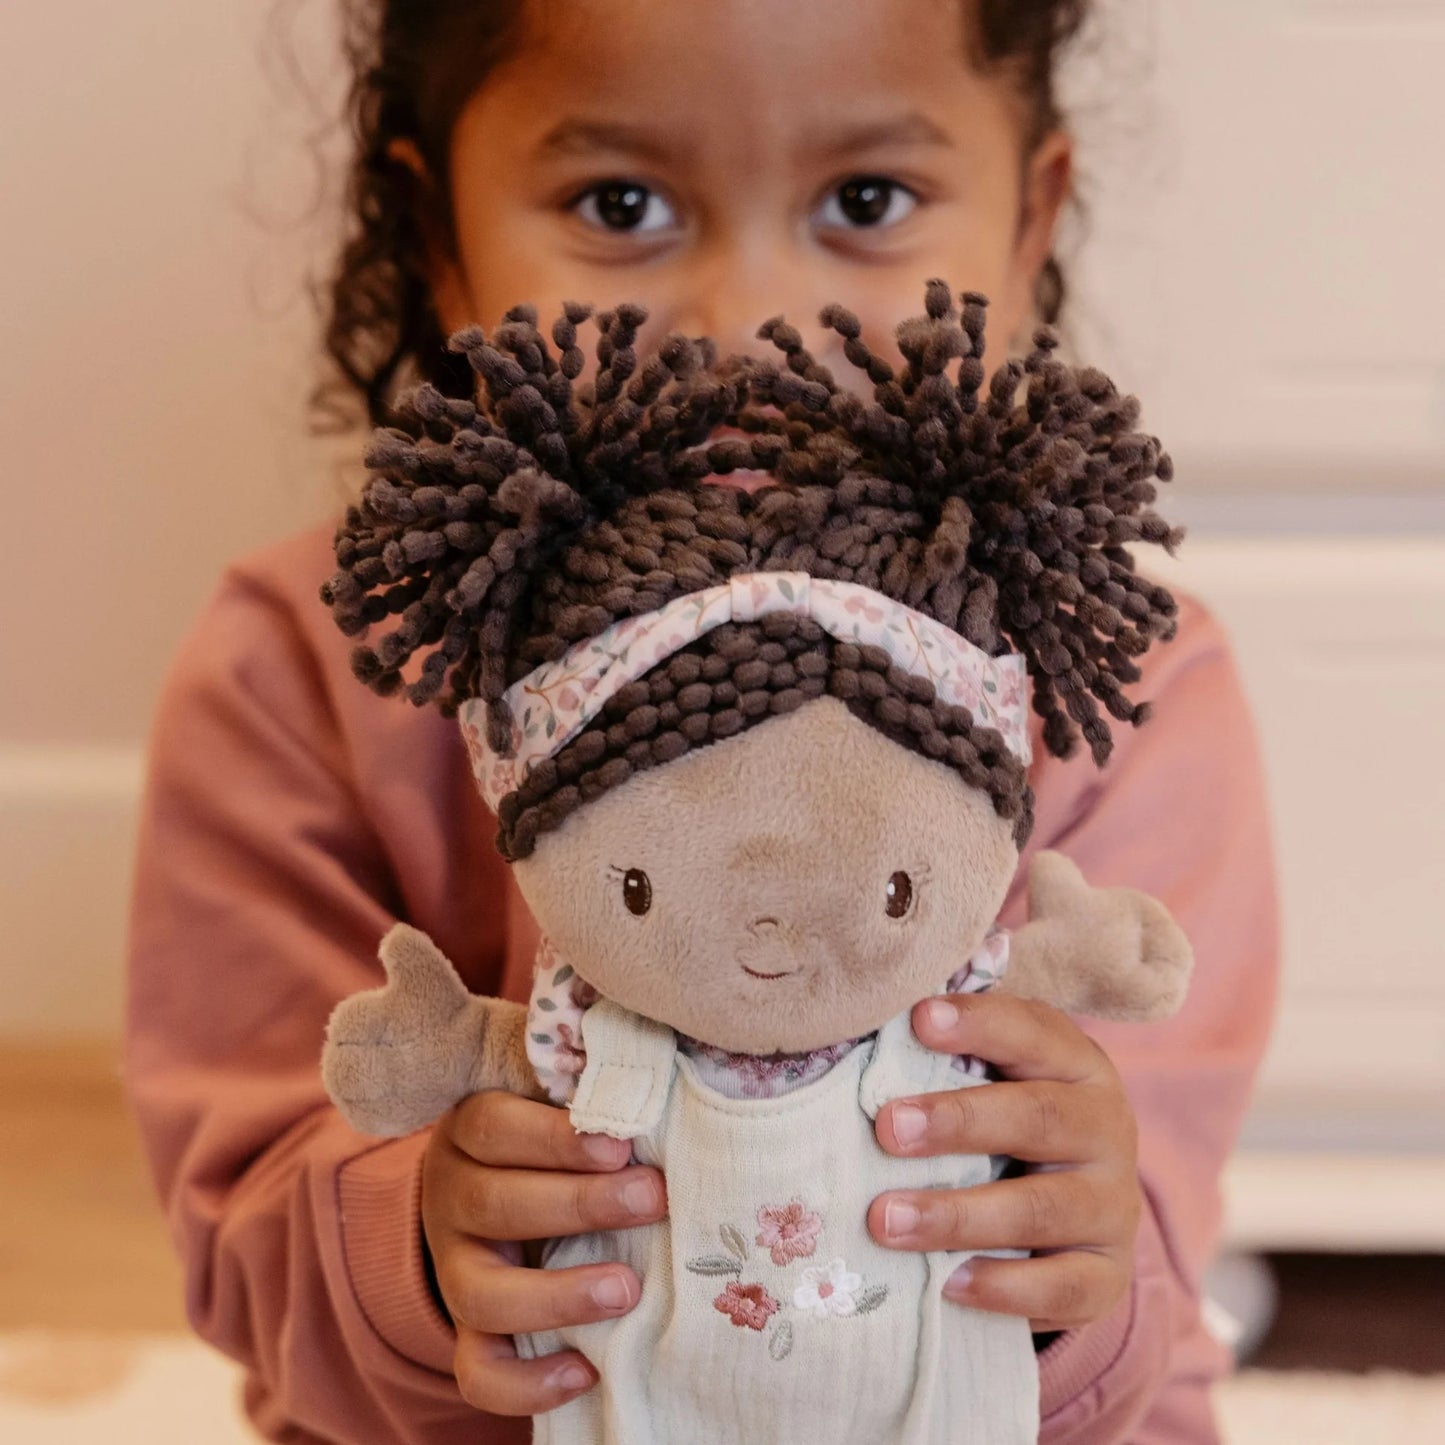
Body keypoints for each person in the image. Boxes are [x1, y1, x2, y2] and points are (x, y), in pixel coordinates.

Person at [122, 3, 1279, 1442]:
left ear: (1027, 219)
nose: (746, 321)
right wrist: (420, 1246)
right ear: (440, 237)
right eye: (621, 206)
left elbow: (1140, 1264)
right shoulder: (301, 671)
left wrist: (1063, 1267)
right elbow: (244, 1234)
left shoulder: (1126, 686)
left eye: (867, 200)